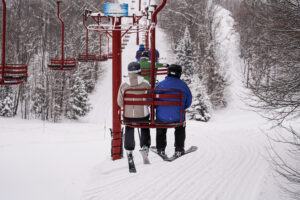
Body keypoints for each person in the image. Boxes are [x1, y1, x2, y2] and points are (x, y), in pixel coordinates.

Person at [154, 64, 192, 157]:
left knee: (161, 125)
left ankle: (160, 148)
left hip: (161, 117)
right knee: (180, 126)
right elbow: (188, 102)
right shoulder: (183, 86)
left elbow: (153, 102)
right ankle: (179, 148)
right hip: (177, 117)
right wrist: (182, 108)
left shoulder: (160, 85)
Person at [117, 62, 151, 159]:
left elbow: (120, 102)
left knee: (129, 126)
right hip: (143, 116)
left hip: (128, 116)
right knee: (144, 126)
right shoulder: (146, 84)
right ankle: (145, 146)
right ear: (139, 71)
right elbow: (149, 101)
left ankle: (129, 149)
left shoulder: (123, 85)